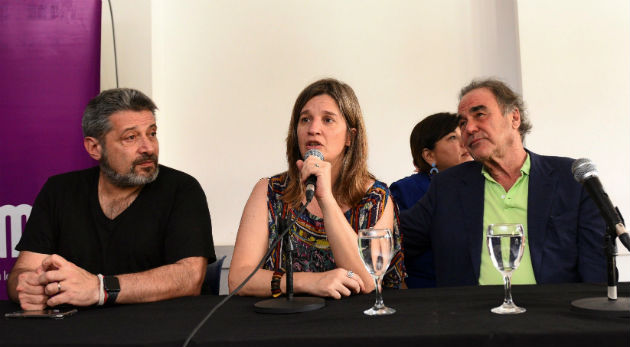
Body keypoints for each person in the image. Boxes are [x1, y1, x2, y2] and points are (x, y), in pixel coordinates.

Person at [7, 88, 216, 310]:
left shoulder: (182, 189)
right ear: (94, 147)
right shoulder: (59, 191)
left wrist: (100, 288)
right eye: (131, 137)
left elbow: (189, 277)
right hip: (76, 333)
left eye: (152, 133)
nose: (148, 148)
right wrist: (28, 288)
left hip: (162, 333)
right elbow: (22, 273)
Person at [400, 78, 606, 286]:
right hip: (469, 314)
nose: (469, 128)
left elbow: (597, 268)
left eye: (480, 114)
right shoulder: (447, 186)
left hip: (551, 313)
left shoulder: (570, 179)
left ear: (514, 117)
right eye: (463, 123)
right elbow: (397, 239)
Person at [228, 78, 405, 298]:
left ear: (350, 136)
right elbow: (238, 280)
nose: (313, 129)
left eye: (328, 120)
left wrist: (326, 198)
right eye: (305, 120)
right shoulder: (269, 191)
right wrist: (311, 282)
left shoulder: (375, 198)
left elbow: (368, 282)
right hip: (284, 322)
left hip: (355, 325)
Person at [390, 113, 472, 288]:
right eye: (452, 137)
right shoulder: (405, 190)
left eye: (463, 134)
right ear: (429, 156)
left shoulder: (480, 183)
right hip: (426, 293)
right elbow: (396, 248)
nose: (464, 142)